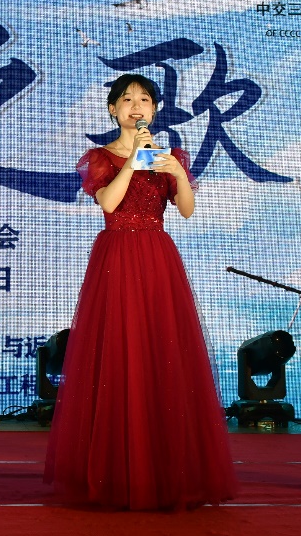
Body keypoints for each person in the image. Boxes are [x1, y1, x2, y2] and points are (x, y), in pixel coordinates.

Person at [44, 74, 237, 511]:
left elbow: (186, 210)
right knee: (117, 352)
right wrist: (132, 160)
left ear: (155, 109)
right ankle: (113, 470)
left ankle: (168, 469)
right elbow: (109, 203)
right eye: (127, 99)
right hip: (116, 256)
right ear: (113, 110)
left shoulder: (170, 155)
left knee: (162, 352)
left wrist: (177, 173)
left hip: (157, 257)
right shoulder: (99, 157)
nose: (136, 106)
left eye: (145, 99)